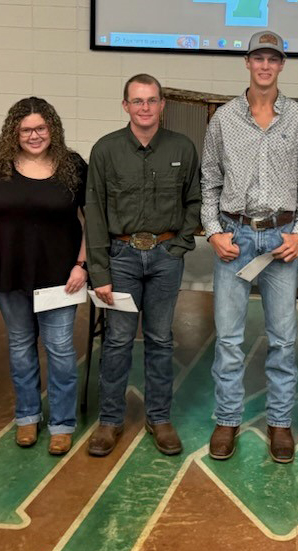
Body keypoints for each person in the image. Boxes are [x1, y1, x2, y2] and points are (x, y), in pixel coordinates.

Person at [201, 30, 298, 463]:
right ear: (247, 63)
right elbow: (209, 179)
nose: (265, 66)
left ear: (282, 65)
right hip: (234, 236)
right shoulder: (224, 119)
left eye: (273, 59)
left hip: (279, 241)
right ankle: (227, 419)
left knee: (284, 340)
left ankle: (280, 423)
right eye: (258, 58)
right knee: (229, 339)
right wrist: (213, 230)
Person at [84, 74, 201, 457]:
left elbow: (194, 202)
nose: (145, 108)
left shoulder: (182, 148)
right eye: (137, 101)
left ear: (163, 104)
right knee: (117, 340)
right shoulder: (105, 151)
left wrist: (180, 246)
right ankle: (110, 420)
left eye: (152, 100)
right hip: (121, 259)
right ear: (125, 106)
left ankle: (159, 418)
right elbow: (96, 213)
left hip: (165, 258)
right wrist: (99, 271)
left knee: (160, 339)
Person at [0, 97, 88, 456]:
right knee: (20, 345)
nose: (34, 135)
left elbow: (93, 220)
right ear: (14, 131)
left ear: (52, 128)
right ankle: (26, 416)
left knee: (59, 349)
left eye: (41, 128)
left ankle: (61, 423)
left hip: (61, 276)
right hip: (8, 272)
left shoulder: (72, 165)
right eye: (26, 129)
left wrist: (82, 265)